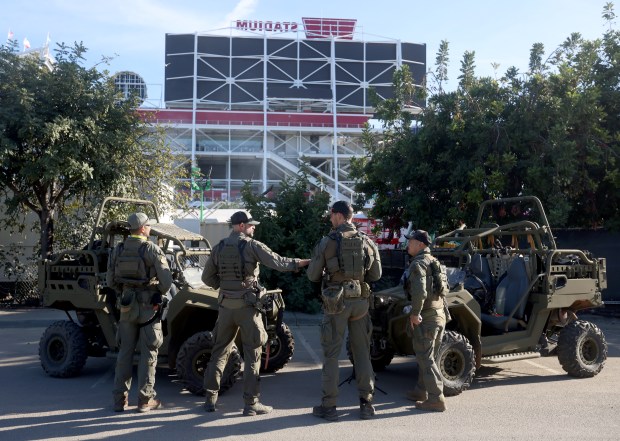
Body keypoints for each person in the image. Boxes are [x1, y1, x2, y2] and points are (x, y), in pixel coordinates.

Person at [201, 211, 310, 416]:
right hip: (247, 308)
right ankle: (251, 404)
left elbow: (207, 277)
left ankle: (210, 399)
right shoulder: (252, 246)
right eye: (251, 225)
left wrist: (225, 288)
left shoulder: (219, 247)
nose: (254, 228)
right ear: (241, 226)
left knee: (219, 351)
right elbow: (278, 262)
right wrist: (302, 262)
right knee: (252, 354)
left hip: (225, 307)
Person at [307, 201, 382, 421]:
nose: (330, 219)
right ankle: (367, 404)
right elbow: (376, 274)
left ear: (339, 216)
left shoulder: (327, 241)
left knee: (331, 355)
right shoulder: (367, 241)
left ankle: (329, 407)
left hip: (335, 303)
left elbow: (312, 275)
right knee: (362, 354)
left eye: (331, 215)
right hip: (360, 301)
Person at [107, 212, 173, 413]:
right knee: (149, 352)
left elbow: (110, 281)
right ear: (144, 228)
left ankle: (120, 400)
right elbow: (167, 281)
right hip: (148, 308)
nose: (150, 228)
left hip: (127, 305)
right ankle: (145, 400)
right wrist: (157, 294)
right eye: (149, 226)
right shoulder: (151, 249)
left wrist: (124, 292)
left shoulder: (118, 249)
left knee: (125, 352)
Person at [404, 229, 447, 412]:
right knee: (429, 356)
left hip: (427, 317)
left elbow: (420, 292)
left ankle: (436, 399)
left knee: (425, 357)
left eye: (411, 241)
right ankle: (422, 391)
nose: (408, 244)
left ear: (420, 244)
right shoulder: (435, 262)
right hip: (439, 315)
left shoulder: (418, 264)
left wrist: (415, 313)